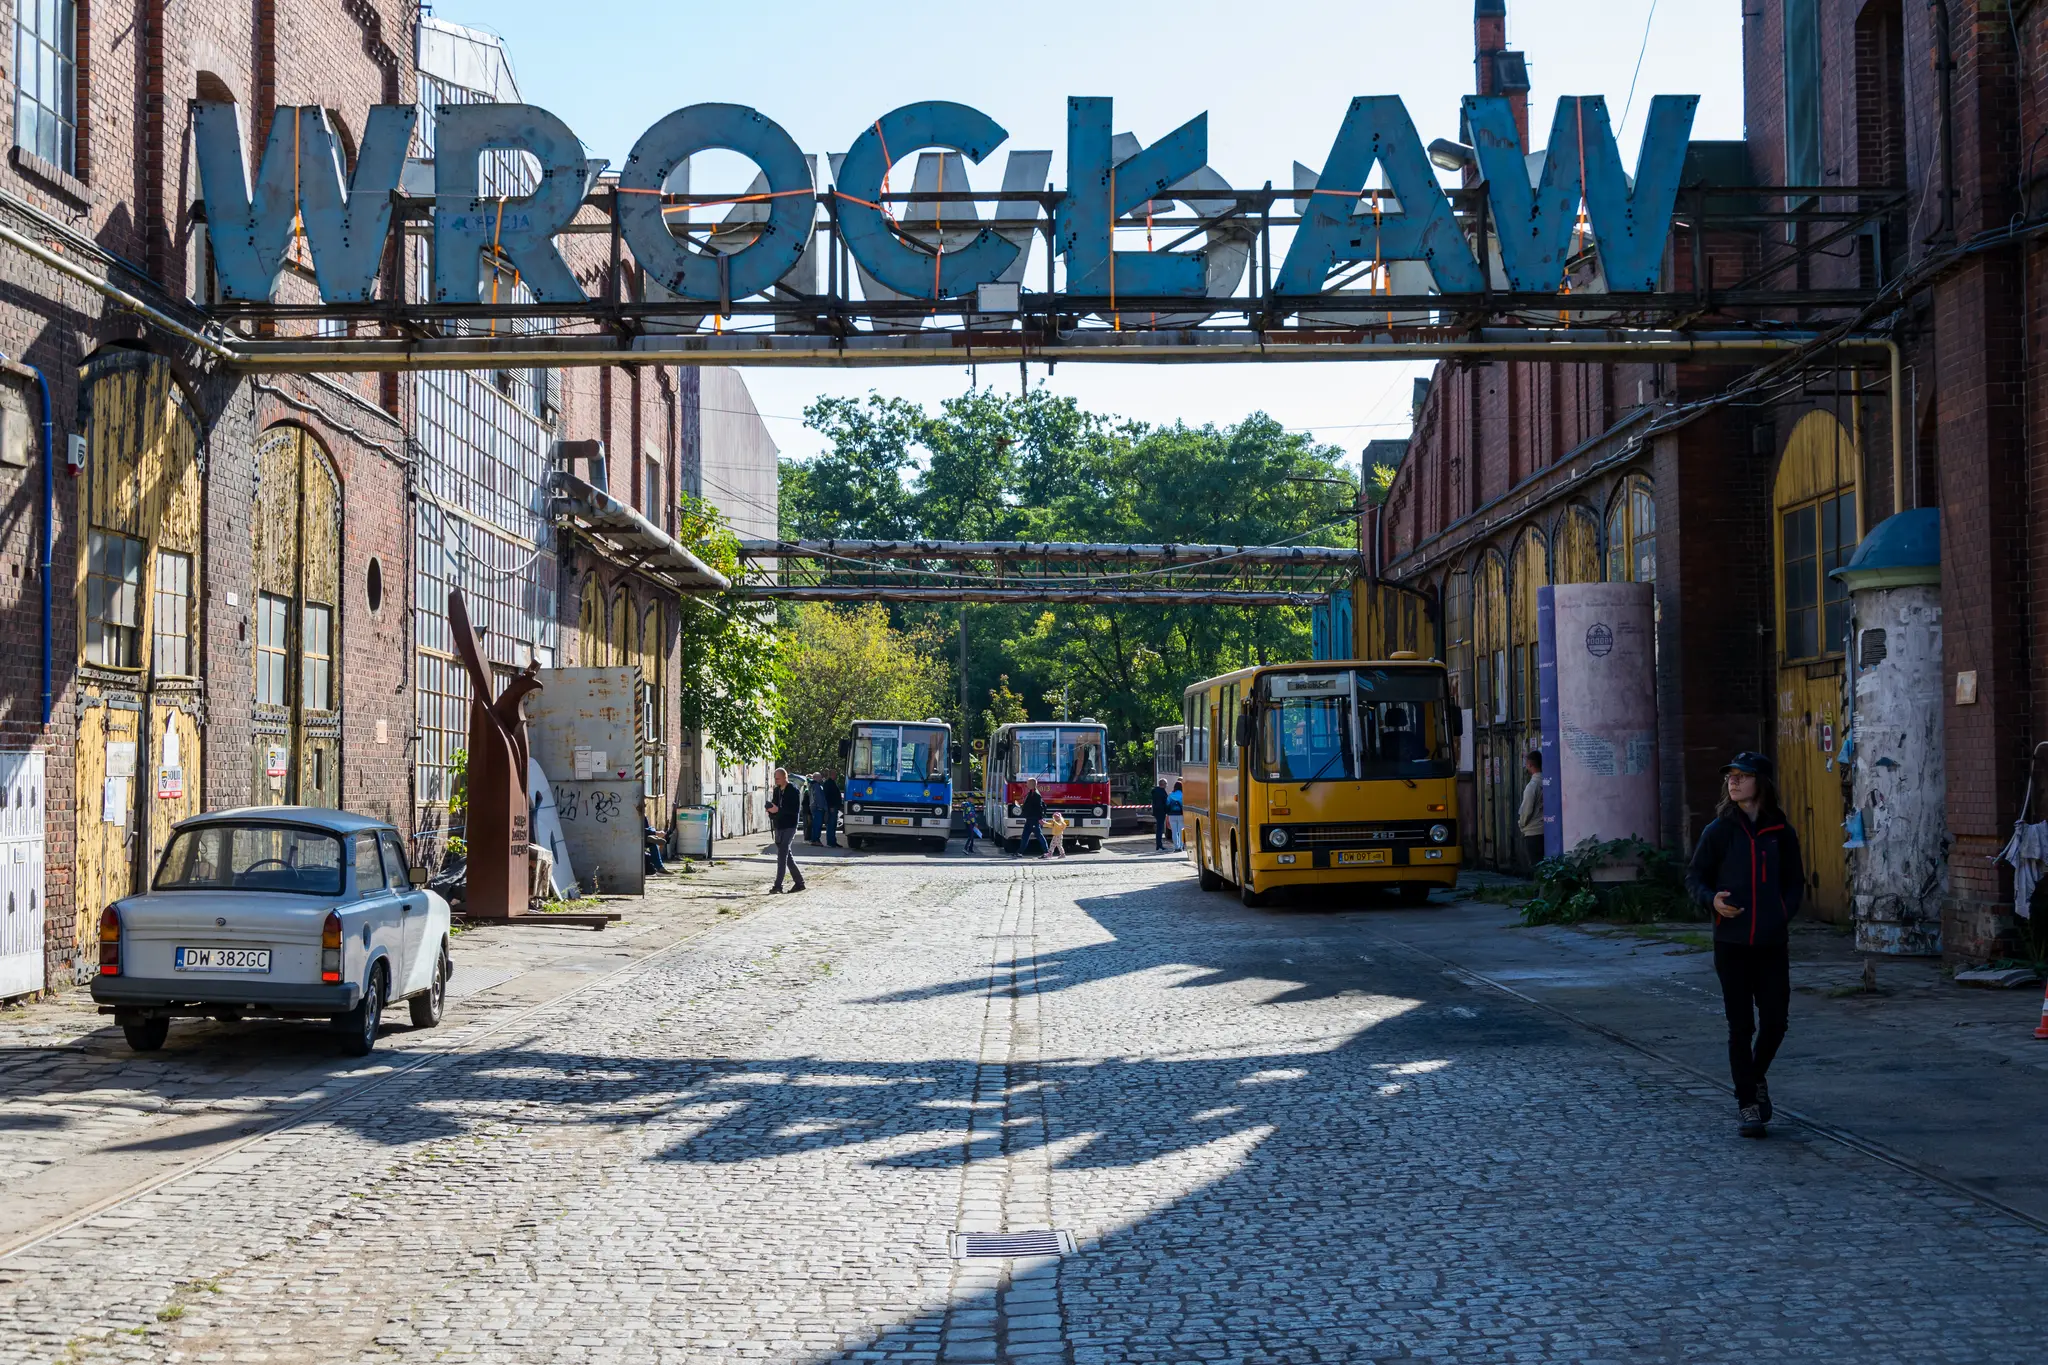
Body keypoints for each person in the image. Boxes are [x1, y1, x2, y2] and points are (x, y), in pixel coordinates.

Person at [1685, 751, 1805, 1139]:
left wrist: (1780, 913)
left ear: (1762, 783)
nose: (1733, 782)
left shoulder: (1782, 833)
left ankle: (1753, 1078)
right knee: (1740, 1026)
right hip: (1731, 943)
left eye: (1742, 775)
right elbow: (1695, 878)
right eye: (1730, 776)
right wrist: (1712, 901)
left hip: (1771, 942)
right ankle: (1747, 1105)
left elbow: (1795, 883)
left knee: (1775, 1022)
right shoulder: (1718, 831)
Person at [765, 767, 806, 894]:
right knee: (787, 857)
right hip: (779, 825)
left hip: (790, 825)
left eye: (778, 778)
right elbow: (774, 805)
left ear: (784, 777)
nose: (776, 780)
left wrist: (778, 810)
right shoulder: (777, 791)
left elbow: (793, 810)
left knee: (782, 855)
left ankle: (778, 886)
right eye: (775, 778)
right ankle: (799, 883)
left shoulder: (793, 790)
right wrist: (771, 811)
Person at [1518, 751, 1545, 871]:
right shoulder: (1549, 782)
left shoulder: (1532, 785)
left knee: (1536, 866)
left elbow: (1526, 810)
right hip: (1547, 830)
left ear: (1529, 764)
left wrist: (1522, 824)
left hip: (1533, 831)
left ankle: (1539, 889)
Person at [1016, 779, 1048, 858]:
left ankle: (1046, 852)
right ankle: (1020, 852)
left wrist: (1040, 818)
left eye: (1027, 783)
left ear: (1032, 784)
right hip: (1029, 818)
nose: (1026, 784)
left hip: (1034, 819)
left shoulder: (1036, 795)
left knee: (1039, 836)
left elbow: (1039, 808)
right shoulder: (1030, 793)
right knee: (1025, 836)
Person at [641, 800, 668, 875]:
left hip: (643, 837)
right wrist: (655, 833)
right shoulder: (630, 817)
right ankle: (659, 867)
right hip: (635, 837)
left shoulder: (643, 816)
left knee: (652, 842)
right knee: (651, 836)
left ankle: (652, 835)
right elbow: (638, 830)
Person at [821, 770, 843, 848]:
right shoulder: (828, 783)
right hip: (832, 807)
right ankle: (831, 841)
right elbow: (827, 797)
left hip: (834, 806)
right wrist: (830, 807)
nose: (836, 776)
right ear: (831, 775)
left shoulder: (832, 783)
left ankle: (833, 841)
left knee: (833, 825)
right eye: (835, 774)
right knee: (831, 824)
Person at [1150, 778, 1171, 851]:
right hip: (1161, 812)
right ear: (1163, 784)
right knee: (1160, 829)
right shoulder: (1162, 792)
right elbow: (1165, 802)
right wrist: (1167, 810)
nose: (1166, 785)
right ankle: (1159, 845)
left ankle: (1158, 844)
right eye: (1166, 784)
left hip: (1156, 812)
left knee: (1159, 828)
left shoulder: (1155, 791)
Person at [801, 774, 821, 845]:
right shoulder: (807, 789)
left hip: (807, 809)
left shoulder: (809, 788)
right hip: (807, 810)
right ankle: (807, 838)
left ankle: (808, 837)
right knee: (807, 824)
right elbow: (807, 802)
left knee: (808, 825)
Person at [1168, 782, 1185, 850]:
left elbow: (1167, 804)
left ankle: (1176, 847)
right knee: (1181, 831)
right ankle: (1181, 846)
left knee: (1174, 831)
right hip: (1181, 815)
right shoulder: (1183, 795)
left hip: (1172, 815)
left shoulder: (1170, 795)